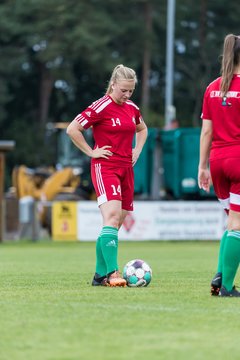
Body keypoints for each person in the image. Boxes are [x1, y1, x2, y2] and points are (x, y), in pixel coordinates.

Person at [67, 64, 148, 287]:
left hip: (126, 168)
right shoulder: (100, 106)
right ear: (113, 84)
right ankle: (113, 273)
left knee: (115, 223)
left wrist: (137, 150)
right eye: (123, 90)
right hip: (106, 168)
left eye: (131, 91)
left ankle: (98, 275)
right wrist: (92, 152)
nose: (127, 95)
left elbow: (143, 129)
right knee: (111, 218)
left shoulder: (132, 107)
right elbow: (73, 129)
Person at [198, 34, 240, 297]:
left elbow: (206, 132)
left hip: (217, 161)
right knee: (237, 225)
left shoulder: (212, 87)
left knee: (231, 223)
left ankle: (219, 276)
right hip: (238, 159)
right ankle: (226, 287)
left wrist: (202, 167)